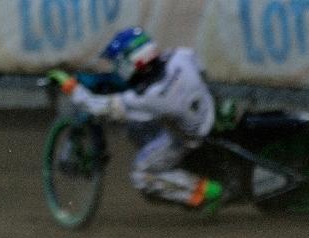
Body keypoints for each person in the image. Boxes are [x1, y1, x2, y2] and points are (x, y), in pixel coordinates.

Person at [48, 27, 222, 213]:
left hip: (187, 139)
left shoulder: (146, 97)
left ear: (134, 60)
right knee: (139, 125)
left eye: (120, 62)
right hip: (210, 111)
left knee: (141, 174)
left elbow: (97, 107)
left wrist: (70, 86)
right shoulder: (180, 56)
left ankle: (205, 192)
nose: (118, 67)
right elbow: (201, 70)